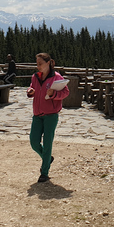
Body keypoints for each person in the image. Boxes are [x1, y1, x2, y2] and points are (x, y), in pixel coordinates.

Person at [27, 52, 69, 183]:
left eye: (40, 64)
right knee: (34, 142)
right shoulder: (35, 77)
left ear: (48, 63)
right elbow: (32, 87)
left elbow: (65, 92)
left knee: (47, 142)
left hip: (51, 115)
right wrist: (30, 91)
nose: (38, 66)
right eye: (37, 64)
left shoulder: (57, 77)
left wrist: (54, 94)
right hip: (37, 115)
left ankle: (44, 172)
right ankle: (47, 158)